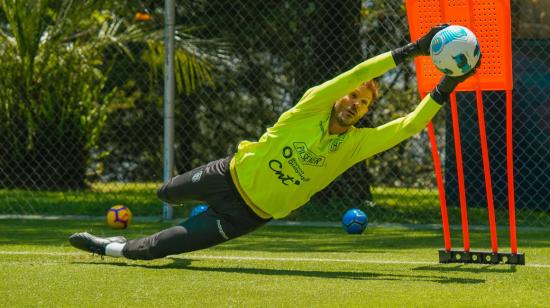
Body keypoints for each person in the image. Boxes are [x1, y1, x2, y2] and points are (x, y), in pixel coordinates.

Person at [69, 24, 480, 260]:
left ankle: (112, 246)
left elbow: (407, 127)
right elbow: (356, 70)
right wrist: (411, 50)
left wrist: (446, 87)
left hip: (247, 216)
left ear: (367, 113)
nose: (354, 103)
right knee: (166, 192)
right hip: (226, 175)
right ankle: (190, 207)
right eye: (353, 95)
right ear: (341, 94)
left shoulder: (356, 145)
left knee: (151, 252)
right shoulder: (310, 107)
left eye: (364, 103)